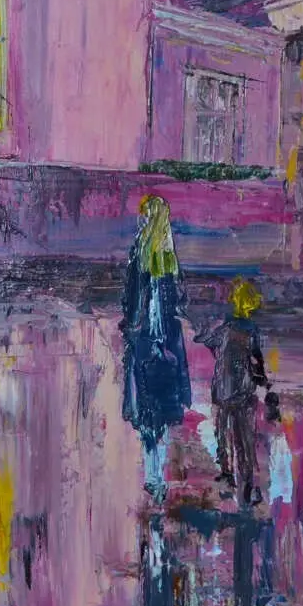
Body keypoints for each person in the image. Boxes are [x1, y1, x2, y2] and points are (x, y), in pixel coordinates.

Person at [121, 195, 193, 502]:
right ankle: (156, 474)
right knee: (160, 410)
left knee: (146, 408)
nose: (142, 219)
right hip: (166, 341)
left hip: (143, 339)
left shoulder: (140, 251)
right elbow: (179, 300)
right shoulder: (168, 255)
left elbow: (130, 298)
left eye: (145, 214)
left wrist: (131, 326)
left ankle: (153, 475)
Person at [196, 277, 278, 507]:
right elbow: (257, 360)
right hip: (243, 391)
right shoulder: (251, 330)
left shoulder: (225, 328)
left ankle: (226, 473)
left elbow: (208, 341)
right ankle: (248, 484)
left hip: (223, 390)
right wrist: (264, 382)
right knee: (245, 439)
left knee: (223, 433)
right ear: (250, 304)